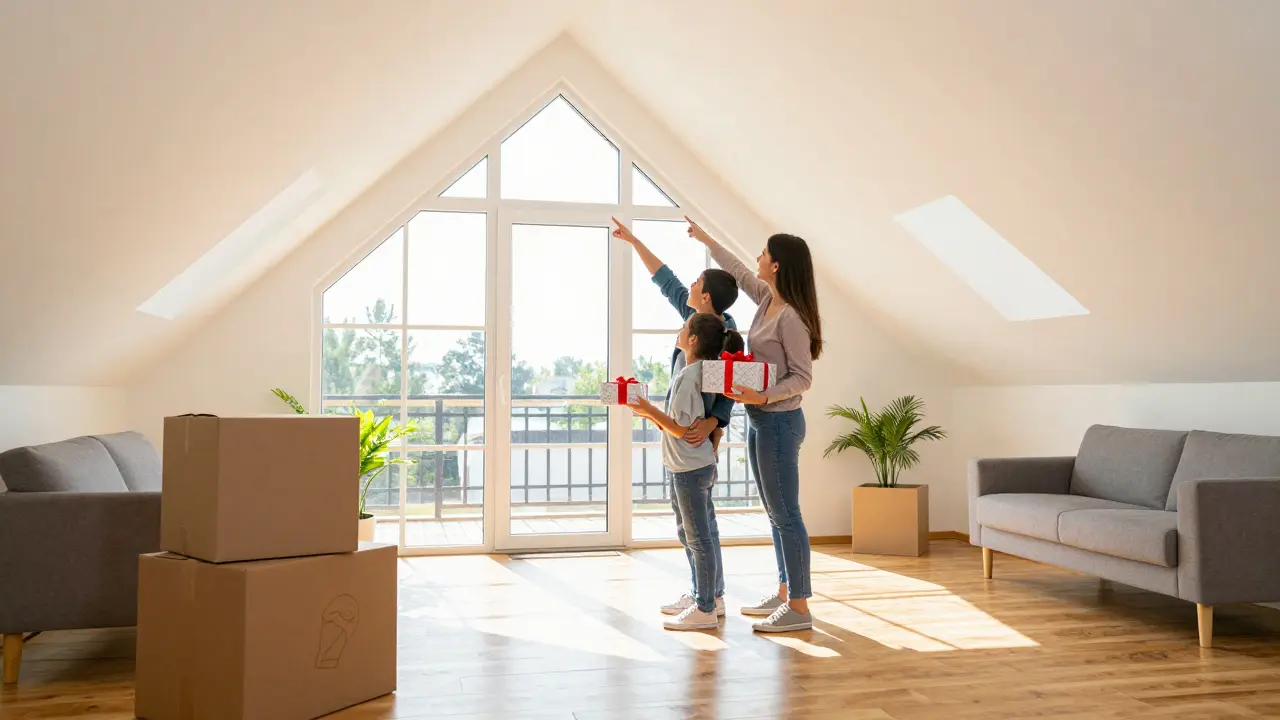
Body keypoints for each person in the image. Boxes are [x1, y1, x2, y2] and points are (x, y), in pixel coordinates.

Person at [686, 216, 822, 633]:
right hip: (762, 419)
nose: (758, 258)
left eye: (764, 253)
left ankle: (799, 607)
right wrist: (706, 238)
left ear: (778, 264)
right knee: (775, 512)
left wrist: (762, 396)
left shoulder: (792, 317)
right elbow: (739, 272)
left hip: (780, 422)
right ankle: (785, 592)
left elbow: (803, 377)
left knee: (787, 514)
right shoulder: (767, 300)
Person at [611, 217, 740, 618]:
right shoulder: (696, 322)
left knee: (701, 529)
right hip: (685, 438)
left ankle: (709, 598)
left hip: (696, 444)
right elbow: (664, 279)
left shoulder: (719, 333)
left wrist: (715, 425)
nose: (691, 283)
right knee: (694, 527)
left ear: (707, 299)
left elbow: (726, 388)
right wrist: (634, 241)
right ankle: (706, 592)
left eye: (699, 280)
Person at [626, 313, 744, 631]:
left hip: (689, 469)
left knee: (697, 538)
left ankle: (705, 607)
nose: (679, 331)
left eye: (684, 328)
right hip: (692, 466)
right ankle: (705, 596)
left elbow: (681, 430)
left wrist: (647, 409)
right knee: (691, 534)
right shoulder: (700, 372)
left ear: (692, 340)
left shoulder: (690, 376)